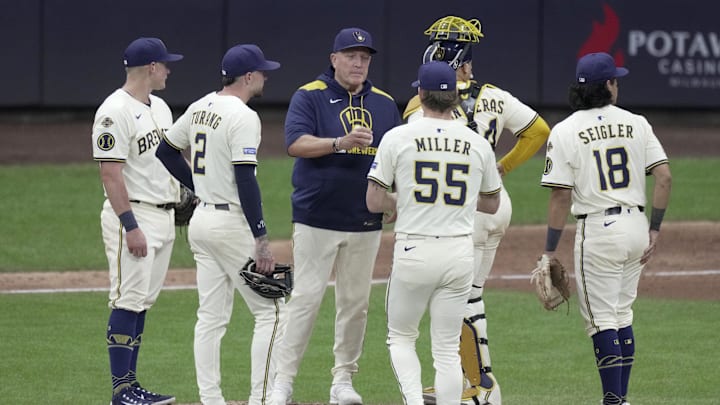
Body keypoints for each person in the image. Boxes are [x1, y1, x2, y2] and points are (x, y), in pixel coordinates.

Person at [404, 16, 551, 405]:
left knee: (457, 299)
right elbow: (538, 131)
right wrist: (501, 167)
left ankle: (479, 384)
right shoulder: (494, 96)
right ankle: (469, 380)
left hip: (458, 212)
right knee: (471, 295)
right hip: (495, 202)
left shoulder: (423, 101)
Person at [271, 27, 402, 405]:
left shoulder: (384, 103)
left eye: (364, 57)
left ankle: (343, 382)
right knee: (306, 299)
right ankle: (283, 383)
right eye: (351, 55)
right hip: (316, 217)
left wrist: (391, 197)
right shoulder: (308, 96)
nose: (358, 62)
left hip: (364, 219)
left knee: (355, 303)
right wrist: (339, 143)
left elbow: (396, 157)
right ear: (334, 59)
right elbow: (295, 143)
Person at [155, 44, 285, 405]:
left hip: (201, 222)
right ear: (247, 77)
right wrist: (260, 238)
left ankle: (210, 400)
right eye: (261, 71)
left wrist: (197, 186)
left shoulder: (199, 106)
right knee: (272, 312)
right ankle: (261, 399)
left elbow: (165, 150)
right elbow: (246, 179)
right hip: (229, 226)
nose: (266, 76)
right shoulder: (243, 116)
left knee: (210, 317)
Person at [540, 52, 671, 405]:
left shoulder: (565, 129)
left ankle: (612, 401)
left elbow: (559, 197)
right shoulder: (637, 122)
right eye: (616, 79)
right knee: (622, 314)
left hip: (599, 231)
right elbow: (664, 177)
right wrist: (654, 230)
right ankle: (621, 399)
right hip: (636, 228)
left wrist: (549, 250)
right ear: (608, 85)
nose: (618, 85)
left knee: (601, 322)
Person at [367, 60, 502, 405]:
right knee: (445, 348)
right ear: (455, 97)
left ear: (420, 93)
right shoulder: (477, 143)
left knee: (400, 337)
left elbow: (373, 201)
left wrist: (400, 201)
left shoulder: (398, 136)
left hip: (415, 249)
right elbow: (491, 205)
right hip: (459, 252)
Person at [92, 37, 183, 405]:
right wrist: (130, 225)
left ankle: (133, 385)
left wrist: (187, 193)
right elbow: (110, 175)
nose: (169, 70)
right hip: (133, 216)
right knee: (128, 300)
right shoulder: (113, 111)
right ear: (150, 68)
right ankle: (121, 391)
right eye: (165, 64)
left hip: (163, 215)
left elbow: (168, 161)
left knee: (142, 301)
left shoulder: (159, 107)